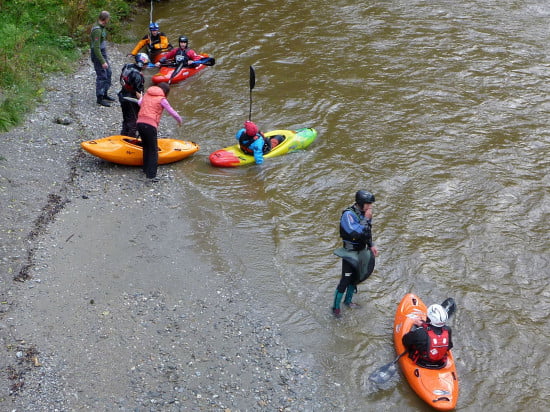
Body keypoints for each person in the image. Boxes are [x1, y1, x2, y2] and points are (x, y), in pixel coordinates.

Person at [332, 190, 379, 318]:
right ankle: (335, 308)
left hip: (360, 251)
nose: (370, 207)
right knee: (345, 279)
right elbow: (355, 233)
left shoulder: (364, 214)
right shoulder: (348, 215)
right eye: (368, 204)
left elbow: (366, 233)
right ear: (361, 203)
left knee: (355, 278)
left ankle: (348, 302)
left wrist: (371, 245)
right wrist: (366, 219)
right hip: (349, 252)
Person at [136, 82, 182, 181]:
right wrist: (179, 120)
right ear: (165, 92)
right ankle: (151, 176)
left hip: (139, 123)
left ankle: (145, 169)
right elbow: (172, 112)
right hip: (150, 125)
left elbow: (139, 103)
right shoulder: (162, 99)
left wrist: (140, 97)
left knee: (146, 147)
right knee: (153, 150)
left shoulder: (147, 95)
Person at [402, 304, 454, 369]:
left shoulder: (420, 332)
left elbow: (405, 341)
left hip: (422, 362)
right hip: (440, 363)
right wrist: (423, 324)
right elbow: (449, 346)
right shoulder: (447, 330)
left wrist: (415, 331)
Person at [117, 53, 148, 138]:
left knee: (126, 119)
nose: (147, 66)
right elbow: (138, 93)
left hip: (122, 95)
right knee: (133, 121)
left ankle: (123, 136)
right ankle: (130, 140)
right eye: (146, 64)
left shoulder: (127, 66)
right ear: (141, 64)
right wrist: (144, 103)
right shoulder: (138, 76)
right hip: (131, 100)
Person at [90, 10, 114, 107]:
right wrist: (102, 61)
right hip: (98, 55)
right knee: (102, 76)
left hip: (102, 53)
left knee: (108, 73)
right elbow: (96, 48)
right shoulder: (97, 30)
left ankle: (105, 94)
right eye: (108, 19)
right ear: (105, 19)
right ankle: (100, 98)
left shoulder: (102, 27)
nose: (108, 21)